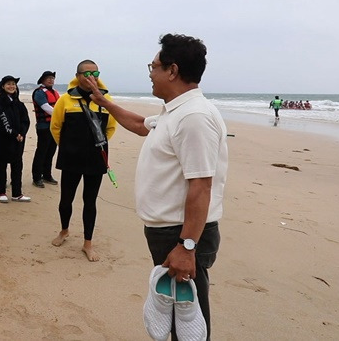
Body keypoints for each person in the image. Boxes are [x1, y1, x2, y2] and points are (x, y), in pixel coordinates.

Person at [89, 34, 227, 340]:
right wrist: (103, 102)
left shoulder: (194, 117)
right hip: (169, 231)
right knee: (174, 318)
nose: (150, 73)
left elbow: (202, 186)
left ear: (173, 71)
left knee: (189, 323)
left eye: (153, 67)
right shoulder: (174, 111)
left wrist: (187, 246)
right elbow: (140, 125)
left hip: (181, 233)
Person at [49, 61, 116, 262]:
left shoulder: (105, 100)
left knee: (90, 200)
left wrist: (97, 144)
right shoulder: (65, 100)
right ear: (78, 76)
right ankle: (64, 231)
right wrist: (68, 147)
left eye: (94, 73)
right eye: (86, 73)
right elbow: (55, 127)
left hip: (96, 158)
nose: (91, 76)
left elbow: (111, 128)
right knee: (66, 198)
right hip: (70, 157)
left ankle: (88, 242)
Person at [0, 75, 31, 203]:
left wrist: (22, 133)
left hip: (18, 141)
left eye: (13, 84)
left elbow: (25, 120)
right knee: (1, 167)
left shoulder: (19, 104)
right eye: (8, 84)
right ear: (3, 86)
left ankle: (17, 193)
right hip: (2, 141)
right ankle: (1, 192)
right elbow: (2, 122)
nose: (12, 86)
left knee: (17, 166)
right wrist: (13, 134)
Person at [31, 70, 60, 188]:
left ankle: (47, 175)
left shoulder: (55, 93)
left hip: (55, 126)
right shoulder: (39, 92)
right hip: (44, 126)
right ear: (42, 80)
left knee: (51, 151)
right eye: (48, 78)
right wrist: (62, 115)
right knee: (42, 151)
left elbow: (60, 105)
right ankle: (37, 177)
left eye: (52, 78)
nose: (51, 80)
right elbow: (46, 108)